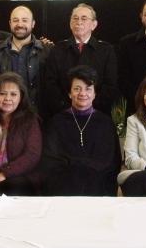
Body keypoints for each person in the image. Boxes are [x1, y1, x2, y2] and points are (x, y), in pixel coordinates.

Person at [42, 65, 121, 196]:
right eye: (77, 89)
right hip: (64, 186)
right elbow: (51, 160)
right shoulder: (56, 122)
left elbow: (111, 162)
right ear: (69, 93)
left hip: (98, 185)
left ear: (95, 93)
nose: (83, 93)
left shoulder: (106, 123)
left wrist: (81, 168)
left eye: (88, 89)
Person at [45, 3, 118, 117]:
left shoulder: (106, 50)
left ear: (94, 25)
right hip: (63, 114)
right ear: (70, 24)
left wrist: (89, 108)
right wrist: (67, 108)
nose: (79, 22)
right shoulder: (57, 49)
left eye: (84, 18)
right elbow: (50, 84)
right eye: (75, 18)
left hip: (97, 114)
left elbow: (110, 85)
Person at [0, 5, 50, 115]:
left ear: (33, 23)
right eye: (16, 20)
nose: (20, 24)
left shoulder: (46, 52)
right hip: (2, 117)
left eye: (24, 20)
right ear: (10, 23)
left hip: (36, 117)